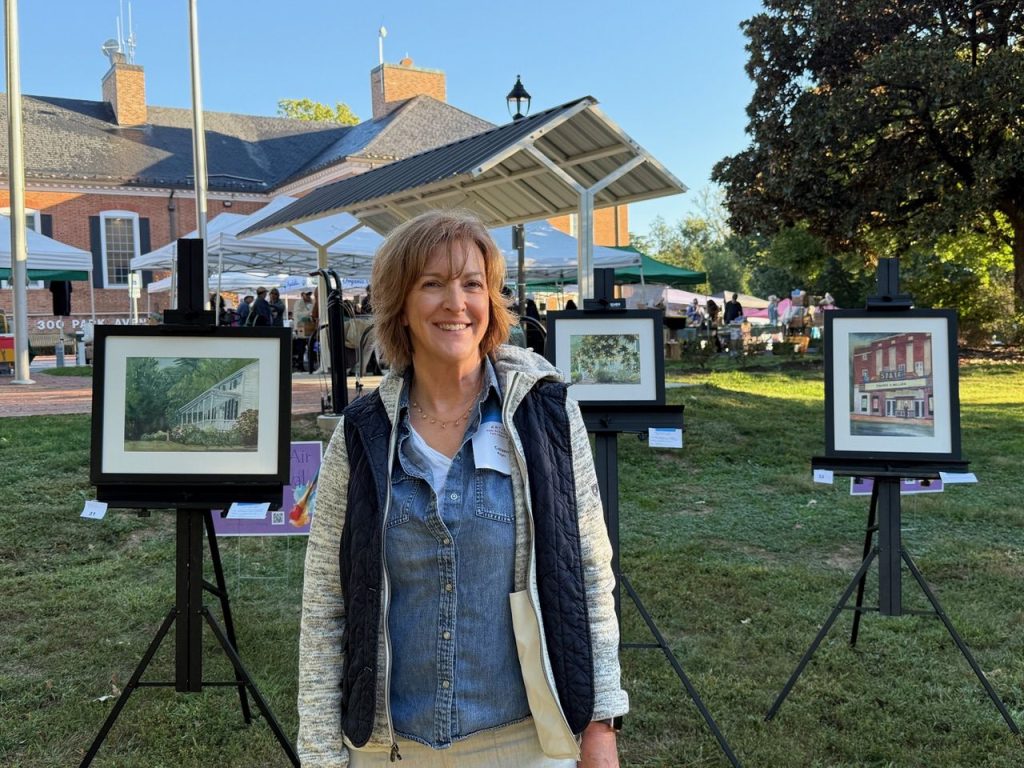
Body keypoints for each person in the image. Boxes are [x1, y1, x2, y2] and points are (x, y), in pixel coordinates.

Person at [298, 209, 627, 768]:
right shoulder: (363, 433)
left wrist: (600, 724)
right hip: (390, 749)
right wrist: (320, 753)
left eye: (472, 283)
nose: (456, 303)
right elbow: (328, 604)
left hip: (525, 742)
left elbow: (588, 572)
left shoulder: (543, 414)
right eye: (433, 284)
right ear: (399, 305)